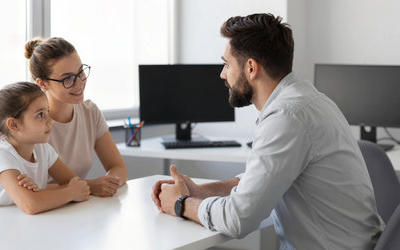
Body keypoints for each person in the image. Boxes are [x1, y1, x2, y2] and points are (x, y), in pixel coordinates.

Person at [151, 13, 384, 249]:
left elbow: (237, 219)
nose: (222, 74)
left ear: (251, 68)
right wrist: (201, 191)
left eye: (226, 64)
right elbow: (260, 181)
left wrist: (181, 203)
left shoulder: (287, 117)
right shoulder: (306, 100)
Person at [24, 37, 128, 197]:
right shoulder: (28, 123)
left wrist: (108, 183)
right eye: (68, 78)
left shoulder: (90, 113)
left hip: (75, 209)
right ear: (43, 84)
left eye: (80, 72)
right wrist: (89, 186)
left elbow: (118, 168)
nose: (79, 83)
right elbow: (25, 189)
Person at [0, 82, 90, 215]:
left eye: (48, 111)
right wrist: (70, 193)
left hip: (24, 225)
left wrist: (39, 194)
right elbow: (31, 205)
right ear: (14, 124)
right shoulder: (1, 155)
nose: (50, 120)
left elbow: (77, 184)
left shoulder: (43, 149)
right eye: (40, 115)